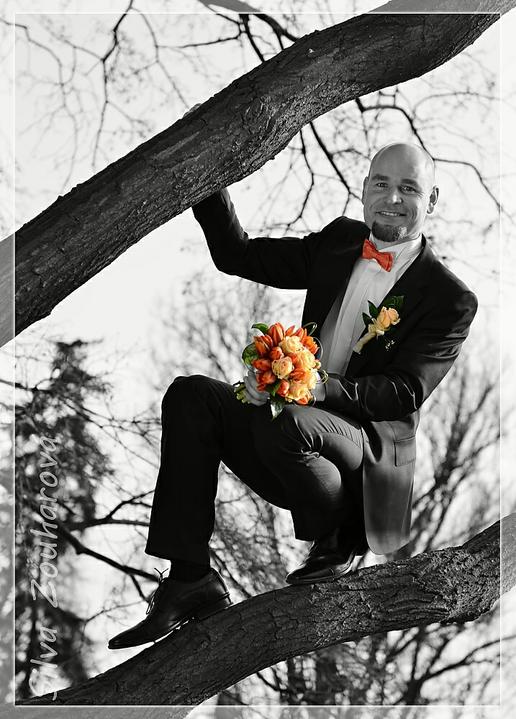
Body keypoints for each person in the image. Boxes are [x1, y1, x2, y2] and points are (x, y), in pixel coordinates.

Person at [108, 141, 478, 650]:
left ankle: (341, 537)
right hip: (289, 443)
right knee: (193, 396)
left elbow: (404, 391)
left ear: (431, 200)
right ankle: (190, 578)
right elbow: (236, 254)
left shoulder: (450, 298)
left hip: (359, 459)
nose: (392, 198)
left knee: (290, 421)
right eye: (381, 183)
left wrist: (317, 387)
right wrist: (204, 172)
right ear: (364, 189)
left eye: (408, 188)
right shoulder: (339, 241)